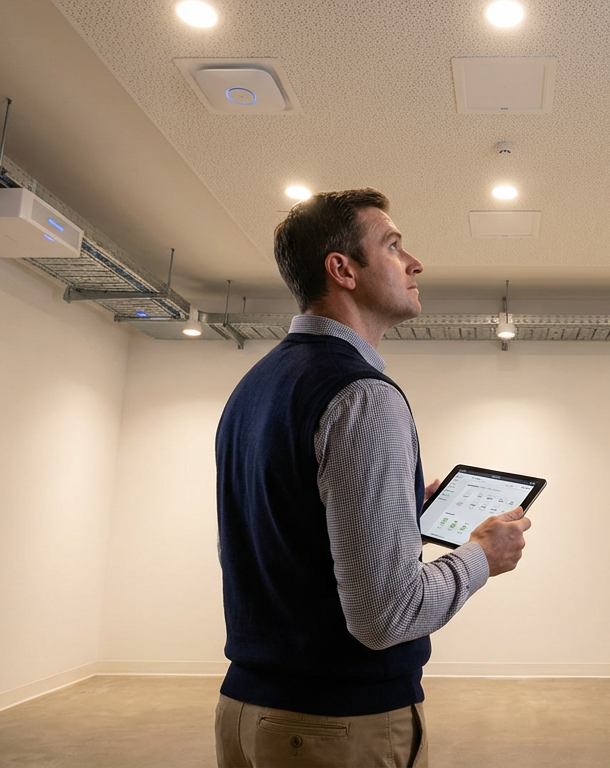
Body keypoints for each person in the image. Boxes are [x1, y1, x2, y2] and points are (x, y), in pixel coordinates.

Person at [214, 188, 531, 768]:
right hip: (336, 729)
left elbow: (289, 535)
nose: (414, 263)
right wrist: (483, 555)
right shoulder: (363, 395)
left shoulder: (255, 386)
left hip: (247, 712)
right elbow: (386, 616)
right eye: (392, 245)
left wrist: (400, 511)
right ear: (343, 270)